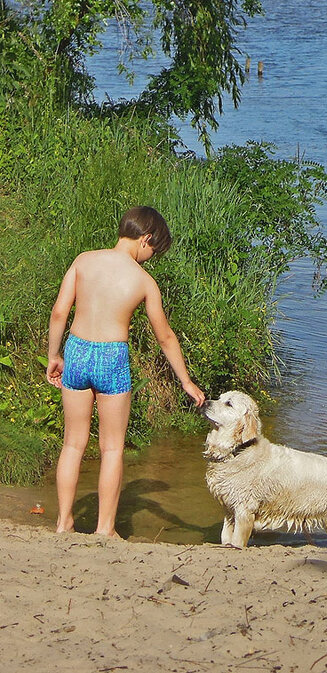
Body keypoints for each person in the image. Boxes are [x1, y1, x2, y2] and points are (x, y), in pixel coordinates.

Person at [46, 206, 206, 538]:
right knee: (112, 448)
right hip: (111, 356)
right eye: (153, 250)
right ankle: (105, 529)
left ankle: (64, 523)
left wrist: (54, 355)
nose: (150, 257)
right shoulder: (144, 281)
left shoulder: (84, 260)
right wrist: (186, 381)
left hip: (76, 349)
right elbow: (165, 337)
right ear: (145, 239)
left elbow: (60, 311)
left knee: (73, 444)